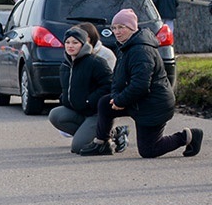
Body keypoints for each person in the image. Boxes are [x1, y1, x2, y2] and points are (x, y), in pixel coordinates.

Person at [81, 9, 203, 158]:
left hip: (154, 105)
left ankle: (188, 136)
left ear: (132, 28)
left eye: (121, 27)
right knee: (105, 103)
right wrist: (115, 96)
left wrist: (120, 100)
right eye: (114, 28)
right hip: (140, 101)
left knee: (149, 150)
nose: (117, 32)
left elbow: (140, 85)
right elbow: (118, 78)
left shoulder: (141, 50)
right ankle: (102, 144)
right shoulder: (125, 47)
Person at [48, 27, 114, 153]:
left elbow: (109, 86)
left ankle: (106, 134)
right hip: (79, 111)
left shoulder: (96, 62)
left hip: (95, 113)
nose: (70, 46)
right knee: (55, 115)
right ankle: (105, 134)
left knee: (78, 147)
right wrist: (65, 99)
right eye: (67, 42)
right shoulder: (65, 66)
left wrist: (90, 101)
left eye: (75, 42)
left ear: (83, 44)